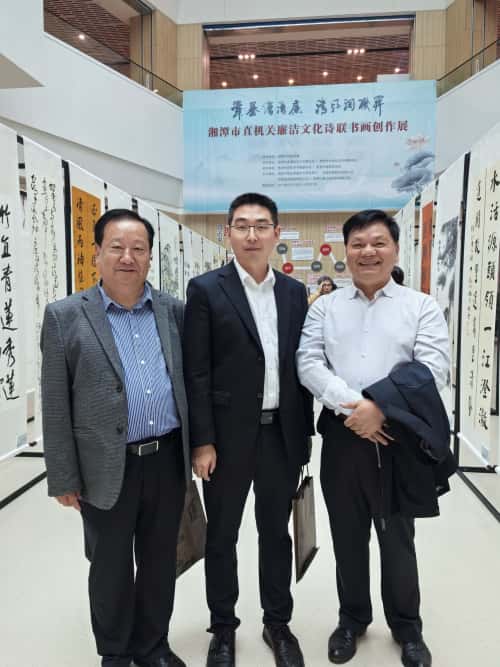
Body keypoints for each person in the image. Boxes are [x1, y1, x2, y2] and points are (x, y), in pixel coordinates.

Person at [297, 210, 450, 667]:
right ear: (346, 251)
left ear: (396, 249)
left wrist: (378, 408)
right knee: (347, 536)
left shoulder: (420, 306)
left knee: (397, 537)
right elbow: (308, 362)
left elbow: (432, 368)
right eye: (359, 243)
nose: (368, 251)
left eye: (379, 242)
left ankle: (407, 627)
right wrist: (354, 407)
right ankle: (352, 619)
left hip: (397, 438)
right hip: (342, 438)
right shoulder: (325, 308)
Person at [41, 209, 190, 667]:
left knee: (160, 561)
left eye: (138, 249)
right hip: (104, 464)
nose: (128, 257)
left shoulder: (173, 311)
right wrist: (63, 476)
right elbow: (55, 402)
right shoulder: (66, 316)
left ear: (150, 257)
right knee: (109, 566)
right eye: (117, 247)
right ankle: (116, 651)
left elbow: (190, 382)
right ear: (96, 253)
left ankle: (153, 645)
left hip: (167, 459)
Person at [183, 193, 314, 667]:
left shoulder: (294, 293)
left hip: (281, 435)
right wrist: (202, 440)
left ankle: (277, 623)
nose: (252, 234)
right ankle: (223, 628)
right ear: (228, 234)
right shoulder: (206, 289)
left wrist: (303, 437)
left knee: (275, 534)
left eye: (261, 225)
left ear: (277, 233)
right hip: (225, 440)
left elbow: (301, 366)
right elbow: (196, 371)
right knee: (222, 535)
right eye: (242, 225)